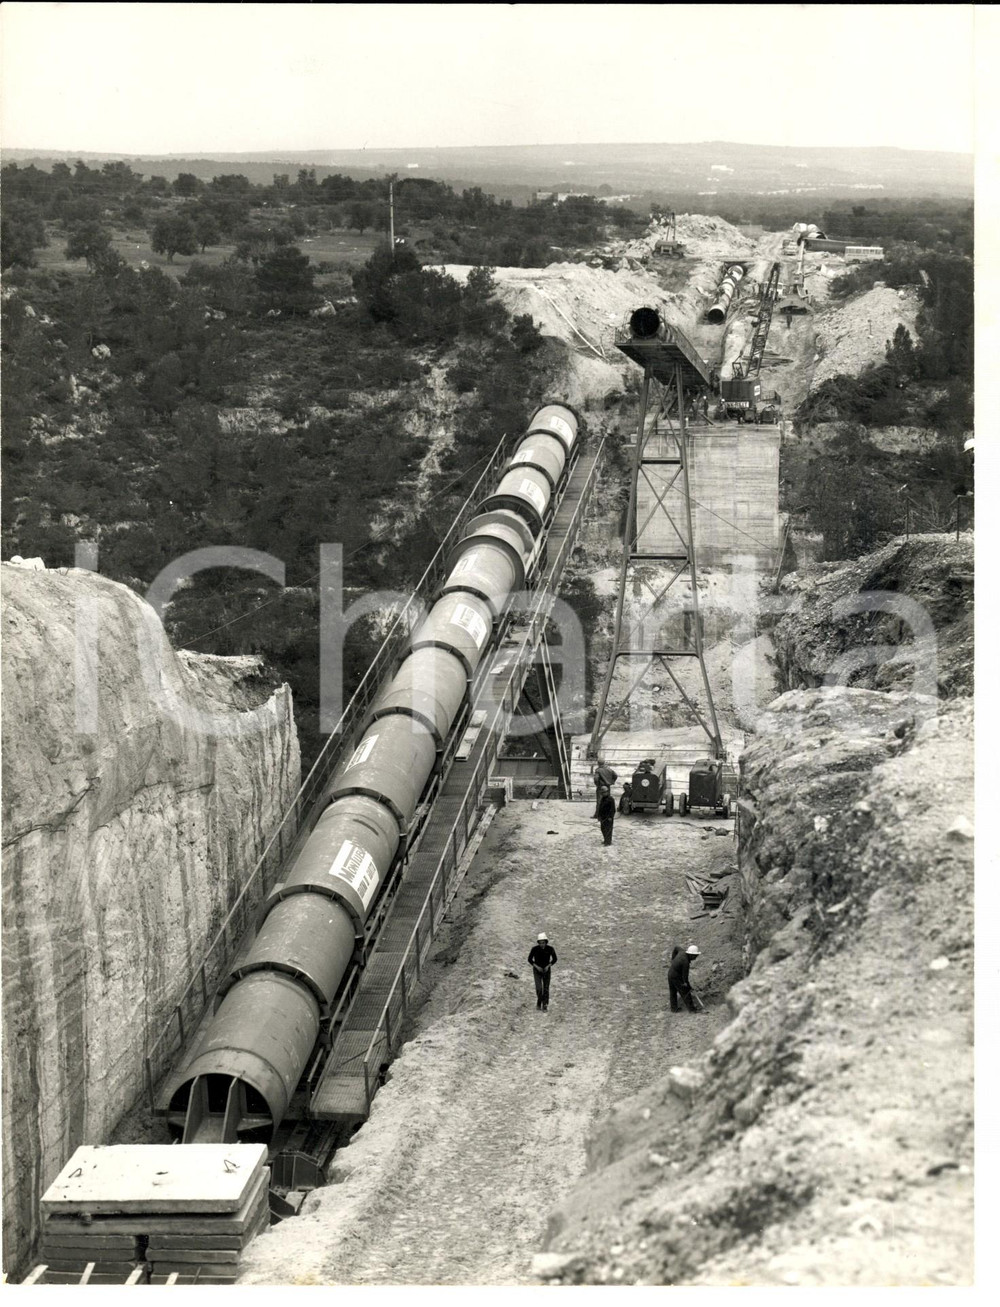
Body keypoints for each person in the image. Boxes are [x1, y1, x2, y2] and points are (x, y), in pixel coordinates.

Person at [667, 943, 702, 1013]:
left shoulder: (682, 951)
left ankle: (674, 1009)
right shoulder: (685, 963)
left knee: (673, 992)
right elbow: (685, 979)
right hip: (676, 976)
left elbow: (676, 947)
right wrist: (689, 987)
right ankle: (692, 1010)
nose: (696, 958)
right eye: (695, 956)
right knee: (685, 991)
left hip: (670, 973)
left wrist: (673, 960)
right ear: (691, 955)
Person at [528, 932, 557, 1011]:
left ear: (546, 942)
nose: (542, 945)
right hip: (537, 970)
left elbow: (555, 959)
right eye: (540, 943)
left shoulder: (550, 949)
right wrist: (537, 967)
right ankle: (539, 1001)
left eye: (543, 943)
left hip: (546, 970)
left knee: (546, 988)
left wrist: (548, 966)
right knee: (539, 988)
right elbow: (529, 959)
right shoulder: (534, 949)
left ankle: (545, 1005)